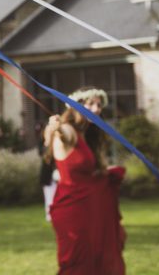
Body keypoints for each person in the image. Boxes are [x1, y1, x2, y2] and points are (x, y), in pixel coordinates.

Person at [45, 88, 126, 275]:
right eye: (90, 104)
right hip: (73, 208)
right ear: (75, 105)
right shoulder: (68, 131)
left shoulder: (86, 135)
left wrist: (105, 173)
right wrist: (53, 127)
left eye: (99, 105)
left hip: (91, 207)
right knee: (77, 260)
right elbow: (58, 132)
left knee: (96, 256)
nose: (96, 109)